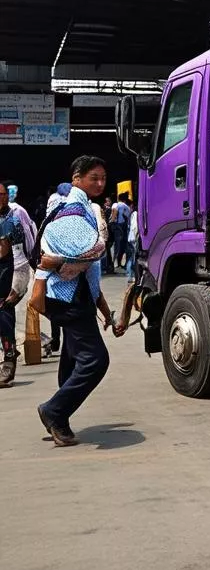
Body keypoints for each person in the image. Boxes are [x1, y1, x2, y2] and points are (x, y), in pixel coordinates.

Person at [34, 156, 116, 446]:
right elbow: (91, 251)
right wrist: (96, 247)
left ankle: (60, 421)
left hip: (70, 295)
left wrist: (104, 309)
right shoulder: (73, 210)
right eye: (94, 177)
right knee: (95, 360)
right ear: (77, 178)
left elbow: (89, 270)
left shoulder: (83, 209)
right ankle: (54, 411)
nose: (100, 183)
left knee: (71, 359)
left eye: (104, 178)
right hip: (69, 297)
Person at [40, 183, 72, 354]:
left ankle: (56, 340)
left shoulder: (53, 204)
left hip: (54, 265)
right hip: (68, 267)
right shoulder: (73, 207)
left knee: (56, 304)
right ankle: (66, 342)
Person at [0, 181, 27, 387]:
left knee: (5, 322)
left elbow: (19, 257)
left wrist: (18, 287)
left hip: (6, 282)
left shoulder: (13, 221)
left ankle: (9, 363)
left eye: (2, 194)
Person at [3, 181, 36, 316]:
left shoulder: (15, 211)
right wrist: (32, 257)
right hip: (17, 260)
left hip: (13, 260)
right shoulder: (19, 211)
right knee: (10, 300)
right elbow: (29, 236)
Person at [125, 200, 138, 278]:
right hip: (133, 237)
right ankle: (130, 275)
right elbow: (134, 227)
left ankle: (130, 274)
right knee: (132, 256)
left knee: (131, 256)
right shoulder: (135, 214)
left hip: (131, 237)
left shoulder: (132, 214)